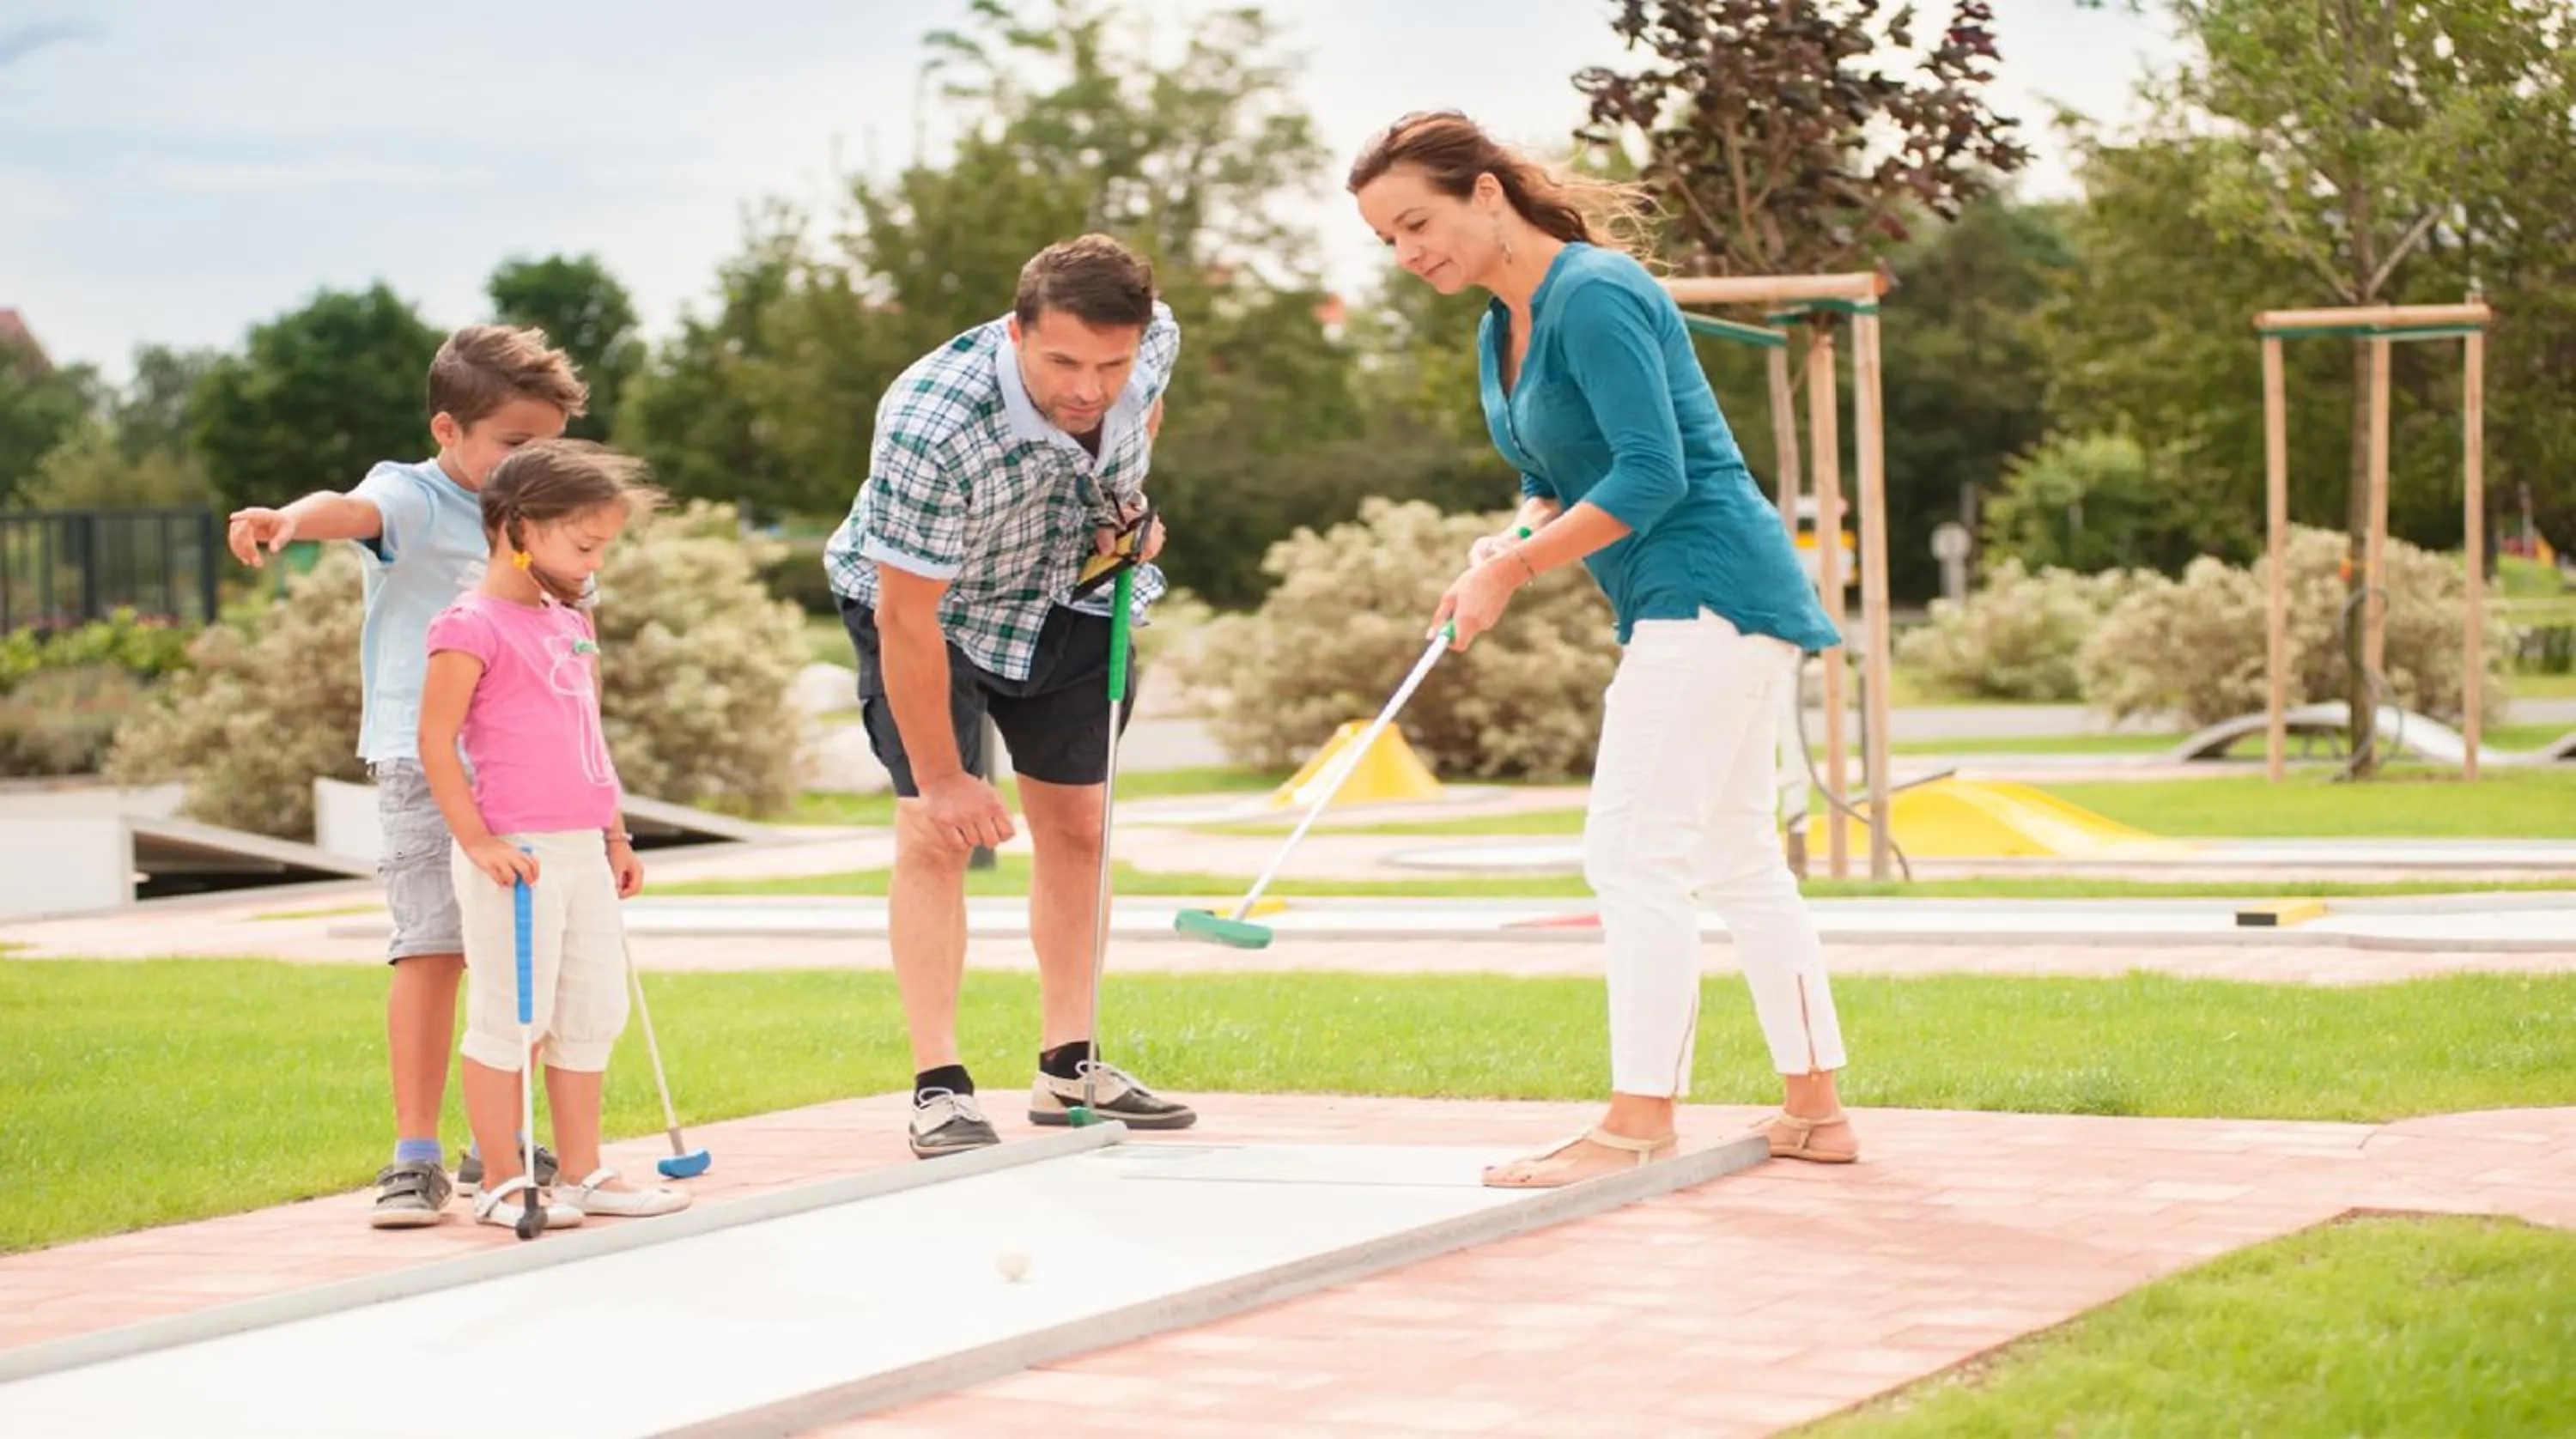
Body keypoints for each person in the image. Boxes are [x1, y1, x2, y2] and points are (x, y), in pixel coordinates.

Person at [1348, 111, 1860, 1187]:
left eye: (1417, 223)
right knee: (1737, 859)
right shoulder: (1502, 324)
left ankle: (1638, 1121)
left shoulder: (1595, 292)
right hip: (1699, 601)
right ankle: (1815, 1110)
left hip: (1707, 586)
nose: (1405, 253)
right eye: (1387, 239)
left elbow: (1651, 472)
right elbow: (1553, 477)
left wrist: (1513, 572)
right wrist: (1512, 537)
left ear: (1488, 192)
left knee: (1633, 854)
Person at [823, 234, 1198, 1159]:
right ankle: (939, 1087)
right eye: (1063, 362)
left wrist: (1124, 506)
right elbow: (907, 617)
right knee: (934, 832)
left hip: (1068, 593)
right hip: (931, 613)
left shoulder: (1153, 341)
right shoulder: (931, 421)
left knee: (1081, 829)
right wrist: (946, 778)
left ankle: (1069, 1065)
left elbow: (1143, 413)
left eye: (1110, 364)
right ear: (1017, 330)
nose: (1089, 388)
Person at [225, 325, 587, 1226]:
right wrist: (288, 520)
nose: (530, 462)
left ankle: (498, 1145)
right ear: (447, 431)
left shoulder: (545, 517)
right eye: (513, 442)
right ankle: (415, 1154)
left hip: (530, 772)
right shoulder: (415, 496)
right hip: (428, 763)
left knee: (526, 960)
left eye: (547, 443)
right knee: (432, 947)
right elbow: (352, 509)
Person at [416, 439, 690, 1229]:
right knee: (512, 1017)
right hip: (518, 854)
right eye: (584, 544)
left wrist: (616, 836)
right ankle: (502, 1180)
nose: (595, 561)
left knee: (592, 1010)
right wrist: (479, 842)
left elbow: (587, 735)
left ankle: (582, 1171)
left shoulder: (567, 621)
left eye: (603, 546)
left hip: (582, 849)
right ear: (518, 527)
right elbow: (435, 742)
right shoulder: (468, 625)